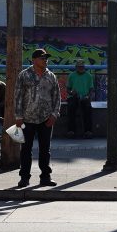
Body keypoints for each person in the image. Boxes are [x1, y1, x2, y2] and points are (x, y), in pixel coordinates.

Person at [14, 48, 61, 188]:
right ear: (34, 60)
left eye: (46, 58)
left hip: (46, 119)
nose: (45, 60)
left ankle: (45, 177)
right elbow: (17, 97)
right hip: (27, 118)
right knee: (26, 149)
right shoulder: (24, 75)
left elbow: (57, 97)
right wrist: (18, 116)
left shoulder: (51, 76)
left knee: (45, 150)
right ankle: (24, 177)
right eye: (42, 58)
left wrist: (54, 114)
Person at [66, 59, 94, 137]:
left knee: (88, 109)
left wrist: (88, 96)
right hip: (73, 96)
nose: (80, 68)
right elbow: (68, 89)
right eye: (79, 67)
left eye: (82, 67)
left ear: (84, 67)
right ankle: (71, 131)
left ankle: (88, 131)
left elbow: (91, 89)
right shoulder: (71, 75)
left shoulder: (88, 76)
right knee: (71, 108)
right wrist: (71, 92)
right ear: (76, 67)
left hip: (85, 97)